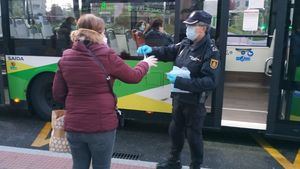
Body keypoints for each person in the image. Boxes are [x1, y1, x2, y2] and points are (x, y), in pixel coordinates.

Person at [52, 14, 157, 169]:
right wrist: (145, 64)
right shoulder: (106, 55)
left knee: (79, 165)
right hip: (101, 126)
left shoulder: (66, 57)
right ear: (100, 33)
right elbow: (133, 77)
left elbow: (58, 94)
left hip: (74, 124)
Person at [137, 10, 221, 169]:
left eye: (191, 25)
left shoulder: (211, 51)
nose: (187, 28)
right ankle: (173, 161)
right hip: (179, 98)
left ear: (202, 28)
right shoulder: (186, 43)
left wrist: (180, 82)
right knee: (175, 130)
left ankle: (196, 165)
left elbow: (210, 81)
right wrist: (151, 50)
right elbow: (168, 51)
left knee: (193, 135)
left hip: (194, 101)